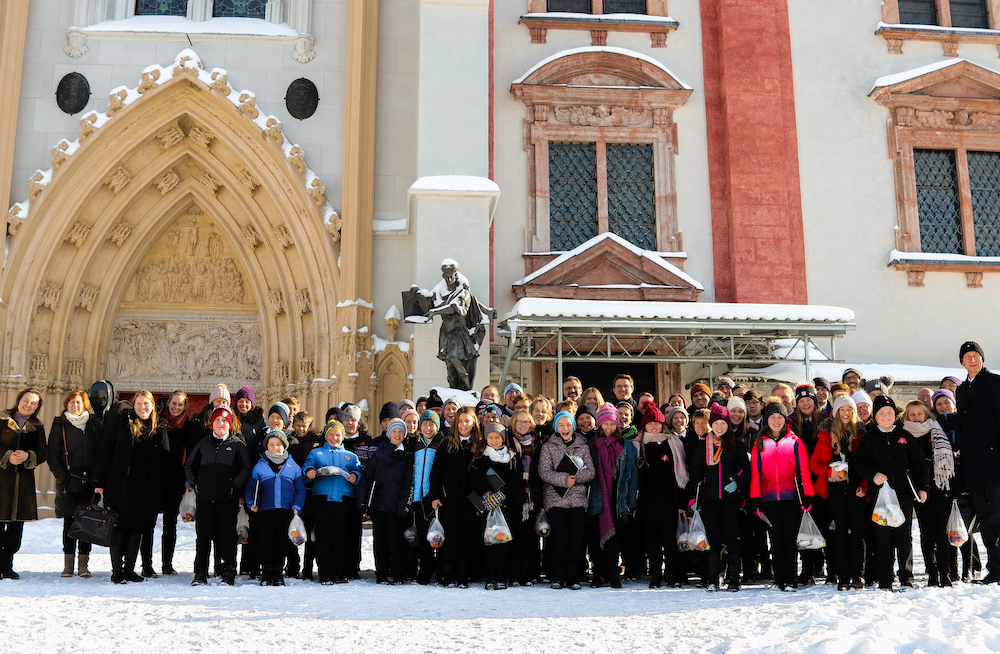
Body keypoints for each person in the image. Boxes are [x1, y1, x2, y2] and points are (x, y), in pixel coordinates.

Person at [94, 390, 170, 584]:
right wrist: (99, 482)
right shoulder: (121, 423)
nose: (142, 407)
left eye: (146, 404)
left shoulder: (159, 428)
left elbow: (165, 461)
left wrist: (161, 491)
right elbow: (105, 450)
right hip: (120, 485)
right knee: (119, 527)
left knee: (137, 527)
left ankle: (130, 569)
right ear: (133, 405)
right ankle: (117, 571)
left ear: (153, 406)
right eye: (139, 404)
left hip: (145, 487)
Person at [856, 395, 928, 590]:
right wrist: (873, 475)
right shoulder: (868, 439)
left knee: (904, 537)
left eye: (889, 412)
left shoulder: (905, 437)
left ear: (895, 415)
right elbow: (859, 464)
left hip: (904, 495)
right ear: (875, 416)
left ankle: (906, 577)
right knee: (883, 537)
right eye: (881, 413)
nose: (886, 416)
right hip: (880, 496)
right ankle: (885, 578)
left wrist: (922, 487)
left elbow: (919, 464)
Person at [748, 401, 813, 591]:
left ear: (785, 420)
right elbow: (755, 474)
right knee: (776, 538)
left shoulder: (795, 441)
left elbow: (804, 470)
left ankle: (791, 577)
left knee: (789, 538)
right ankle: (779, 579)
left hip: (791, 497)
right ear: (767, 420)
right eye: (772, 417)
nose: (776, 421)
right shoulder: (760, 443)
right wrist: (754, 498)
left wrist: (808, 495)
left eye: (780, 417)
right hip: (769, 498)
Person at [185, 404, 251, 586]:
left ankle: (228, 573)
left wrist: (234, 485)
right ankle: (200, 573)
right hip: (205, 498)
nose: (221, 423)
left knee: (227, 536)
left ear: (230, 424)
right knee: (203, 537)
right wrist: (194, 482)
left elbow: (246, 468)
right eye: (217, 420)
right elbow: (189, 465)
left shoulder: (237, 444)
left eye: (224, 420)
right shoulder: (203, 444)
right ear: (211, 423)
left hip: (226, 499)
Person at [809, 394, 868, 590]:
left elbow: (869, 464)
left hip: (856, 490)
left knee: (857, 533)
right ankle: (842, 576)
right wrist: (828, 471)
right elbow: (813, 463)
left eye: (849, 409)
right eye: (842, 409)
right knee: (840, 533)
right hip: (833, 491)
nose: (845, 413)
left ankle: (858, 575)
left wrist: (865, 487)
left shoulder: (862, 434)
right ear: (835, 412)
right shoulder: (826, 434)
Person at [689, 404, 748, 592]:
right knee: (713, 538)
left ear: (728, 425)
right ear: (711, 425)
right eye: (716, 423)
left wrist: (737, 482)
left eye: (723, 423)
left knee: (731, 537)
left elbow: (745, 469)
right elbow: (696, 474)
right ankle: (713, 578)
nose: (720, 427)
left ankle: (733, 578)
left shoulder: (735, 444)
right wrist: (694, 499)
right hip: (710, 499)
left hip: (730, 499)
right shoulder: (702, 446)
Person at [956, 341, 1000, 584]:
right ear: (962, 362)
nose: (973, 360)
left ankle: (998, 568)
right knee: (984, 518)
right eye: (968, 357)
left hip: (994, 464)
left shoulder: (995, 383)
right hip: (973, 467)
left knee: (997, 517)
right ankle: (995, 568)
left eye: (977, 356)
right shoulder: (961, 390)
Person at [48, 389, 102, 579]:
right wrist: (64, 478)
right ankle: (68, 565)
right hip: (69, 482)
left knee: (87, 523)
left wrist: (97, 479)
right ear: (66, 404)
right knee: (70, 523)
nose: (75, 405)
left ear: (85, 404)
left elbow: (103, 452)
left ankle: (83, 566)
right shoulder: (60, 424)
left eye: (78, 402)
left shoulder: (95, 424)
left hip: (90, 483)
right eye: (71, 401)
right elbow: (52, 455)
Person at [539, 410, 595, 590]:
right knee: (561, 539)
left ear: (573, 426)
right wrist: (563, 479)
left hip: (578, 500)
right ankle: (558, 575)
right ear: (556, 427)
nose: (565, 428)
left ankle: (573, 576)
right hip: (556, 500)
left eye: (568, 424)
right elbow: (544, 472)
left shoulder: (582, 445)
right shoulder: (548, 446)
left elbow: (590, 472)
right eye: (561, 425)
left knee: (576, 540)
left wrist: (575, 478)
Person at [428, 406, 483, 588]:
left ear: (473, 422)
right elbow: (436, 472)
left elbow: (483, 475)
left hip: (471, 501)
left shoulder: (479, 444)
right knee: (451, 537)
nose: (463, 424)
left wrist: (480, 503)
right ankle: (448, 576)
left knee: (467, 538)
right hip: (449, 499)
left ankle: (463, 576)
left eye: (467, 421)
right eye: (460, 421)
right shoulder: (447, 443)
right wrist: (435, 496)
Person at [903, 399, 955, 587]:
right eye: (912, 414)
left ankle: (945, 573)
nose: (916, 417)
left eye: (920, 413)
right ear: (907, 416)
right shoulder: (904, 435)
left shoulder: (936, 429)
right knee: (926, 532)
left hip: (940, 487)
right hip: (918, 490)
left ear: (926, 414)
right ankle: (932, 573)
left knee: (941, 532)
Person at [303, 420, 361, 584]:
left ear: (342, 436)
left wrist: (355, 477)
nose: (334, 438)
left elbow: (357, 471)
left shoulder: (350, 456)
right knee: (323, 536)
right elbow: (307, 466)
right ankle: (325, 572)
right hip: (322, 500)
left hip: (343, 500)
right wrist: (310, 472)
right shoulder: (317, 453)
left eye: (338, 435)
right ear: (326, 435)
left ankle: (339, 571)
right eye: (331, 434)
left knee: (341, 537)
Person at [246, 428, 306, 586]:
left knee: (281, 541)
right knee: (266, 541)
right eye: (271, 445)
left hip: (285, 511)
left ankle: (278, 572)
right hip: (265, 510)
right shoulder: (259, 466)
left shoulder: (293, 466)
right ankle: (266, 572)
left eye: (278, 445)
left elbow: (300, 489)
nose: (274, 448)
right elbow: (249, 487)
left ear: (285, 446)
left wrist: (297, 505)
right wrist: (251, 502)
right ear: (266, 447)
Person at [587, 403, 637, 589]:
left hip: (618, 497)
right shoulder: (592, 445)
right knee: (595, 537)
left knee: (615, 537)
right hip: (597, 497)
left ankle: (613, 572)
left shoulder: (627, 446)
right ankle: (598, 572)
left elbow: (632, 477)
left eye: (612, 424)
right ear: (599, 425)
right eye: (604, 424)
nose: (608, 428)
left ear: (617, 424)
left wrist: (631, 503)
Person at [357, 418, 412, 585]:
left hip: (396, 505)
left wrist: (404, 506)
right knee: (379, 540)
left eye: (400, 432)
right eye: (394, 431)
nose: (397, 434)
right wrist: (362, 501)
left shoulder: (408, 456)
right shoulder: (379, 455)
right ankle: (381, 573)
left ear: (404, 434)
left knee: (395, 540)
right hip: (378, 504)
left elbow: (409, 482)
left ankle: (398, 573)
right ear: (389, 434)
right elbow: (367, 478)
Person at [0, 388, 46, 579]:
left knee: (15, 530)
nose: (28, 404)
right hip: (2, 481)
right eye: (26, 400)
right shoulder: (2, 420)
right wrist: (7, 456)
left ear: (37, 407)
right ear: (19, 400)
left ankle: (7, 566)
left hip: (23, 484)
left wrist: (29, 456)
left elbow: (44, 452)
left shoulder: (37, 426)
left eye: (33, 402)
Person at [471, 423, 524, 590]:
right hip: (487, 504)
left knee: (503, 540)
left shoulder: (511, 457)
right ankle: (491, 577)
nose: (494, 440)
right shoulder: (480, 457)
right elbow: (475, 478)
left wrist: (502, 495)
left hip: (506, 505)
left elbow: (516, 481)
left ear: (503, 438)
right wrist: (486, 494)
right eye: (490, 437)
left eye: (497, 437)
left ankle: (501, 576)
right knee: (489, 540)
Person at [639, 404, 687, 588]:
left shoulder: (672, 443)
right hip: (646, 499)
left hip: (668, 498)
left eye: (656, 423)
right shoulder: (638, 444)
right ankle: (656, 572)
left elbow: (681, 472)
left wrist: (680, 500)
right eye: (649, 423)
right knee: (651, 536)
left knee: (669, 536)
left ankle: (672, 572)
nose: (653, 426)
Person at [509, 408, 543, 586]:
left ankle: (530, 572)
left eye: (526, 422)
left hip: (533, 496)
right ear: (513, 423)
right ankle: (515, 573)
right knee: (516, 537)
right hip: (515, 496)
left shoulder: (538, 443)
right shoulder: (508, 441)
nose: (522, 425)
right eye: (519, 421)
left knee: (531, 538)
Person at [411, 409, 445, 584]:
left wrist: (438, 495)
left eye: (432, 424)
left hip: (434, 497)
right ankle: (425, 571)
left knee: (437, 535)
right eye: (425, 423)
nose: (428, 427)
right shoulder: (415, 445)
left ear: (437, 426)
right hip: (418, 497)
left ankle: (440, 571)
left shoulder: (441, 443)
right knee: (423, 536)